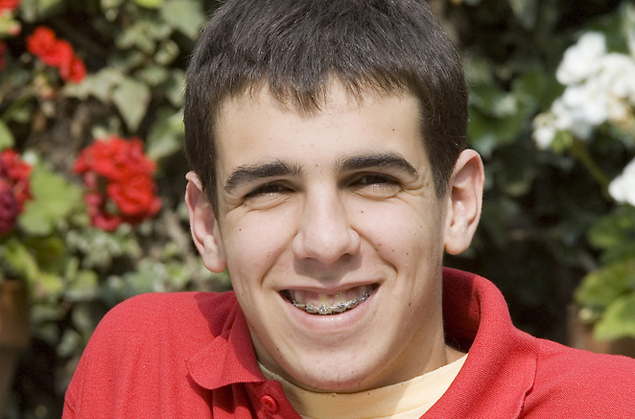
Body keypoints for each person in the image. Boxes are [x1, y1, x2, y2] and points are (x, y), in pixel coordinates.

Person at [63, 0, 635, 417]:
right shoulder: (139, 363)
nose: (325, 240)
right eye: (270, 189)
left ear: (457, 202)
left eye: (372, 180)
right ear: (207, 223)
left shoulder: (608, 406)